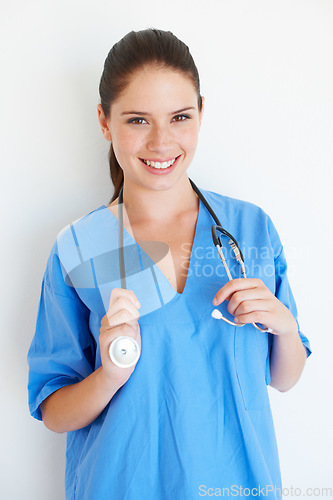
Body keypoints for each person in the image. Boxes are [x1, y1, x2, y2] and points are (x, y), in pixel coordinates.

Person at [27, 28, 312, 500]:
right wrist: (109, 376)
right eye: (138, 120)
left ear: (201, 112)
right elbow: (54, 411)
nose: (161, 141)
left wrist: (283, 326)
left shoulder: (250, 230)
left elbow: (285, 377)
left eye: (180, 116)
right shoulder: (79, 247)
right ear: (104, 121)